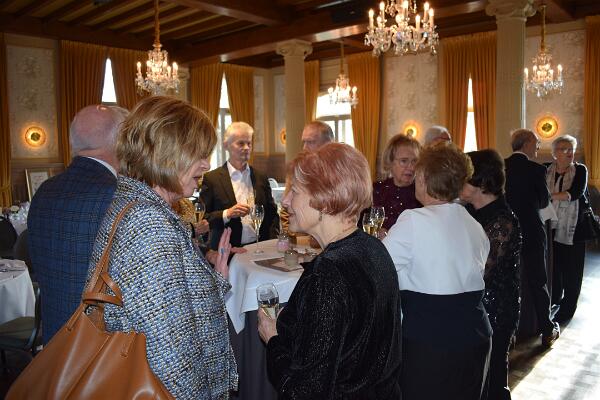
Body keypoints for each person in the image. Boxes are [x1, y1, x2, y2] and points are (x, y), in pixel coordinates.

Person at [86, 96, 237, 399]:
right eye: (198, 153)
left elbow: (172, 308)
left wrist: (215, 280)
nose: (206, 164)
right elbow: (170, 357)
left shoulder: (135, 202)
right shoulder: (148, 222)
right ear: (167, 152)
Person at [257, 143, 402, 399]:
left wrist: (273, 340)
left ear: (324, 201)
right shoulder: (374, 248)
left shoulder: (328, 273)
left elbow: (304, 392)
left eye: (295, 191)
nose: (286, 201)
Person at [382, 144, 492, 400]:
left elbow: (379, 268)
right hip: (476, 333)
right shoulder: (474, 224)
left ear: (423, 178)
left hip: (431, 337)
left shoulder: (413, 220)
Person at [27, 104, 128, 344]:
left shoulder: (44, 191)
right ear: (120, 142)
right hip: (102, 344)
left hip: (54, 336)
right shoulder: (119, 196)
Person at [461, 149, 522, 400]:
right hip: (477, 307)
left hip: (496, 310)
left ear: (482, 183)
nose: (458, 183)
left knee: (493, 377)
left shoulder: (502, 221)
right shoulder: (470, 212)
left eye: (464, 177)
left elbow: (480, 270)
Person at [505, 128, 559, 347]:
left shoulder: (501, 166)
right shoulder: (536, 169)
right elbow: (544, 201)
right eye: (536, 143)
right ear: (526, 143)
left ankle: (509, 333)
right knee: (538, 280)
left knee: (508, 281)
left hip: (506, 232)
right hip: (531, 231)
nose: (537, 147)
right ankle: (546, 330)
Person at [201, 121, 279, 250]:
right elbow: (203, 218)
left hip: (260, 248)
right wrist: (227, 214)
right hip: (228, 250)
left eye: (249, 143)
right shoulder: (212, 179)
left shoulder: (260, 177)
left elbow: (272, 213)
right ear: (226, 145)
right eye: (241, 143)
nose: (247, 148)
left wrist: (272, 241)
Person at [545, 135, 589, 323]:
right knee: (555, 268)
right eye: (564, 149)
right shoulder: (546, 170)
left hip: (574, 229)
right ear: (554, 153)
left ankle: (568, 309)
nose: (569, 152)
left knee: (573, 272)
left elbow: (575, 193)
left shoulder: (580, 170)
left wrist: (550, 196)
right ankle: (554, 299)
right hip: (552, 226)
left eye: (571, 148)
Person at [372, 133, 422, 232]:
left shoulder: (423, 193)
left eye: (414, 161)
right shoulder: (376, 190)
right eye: (404, 161)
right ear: (390, 162)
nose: (411, 167)